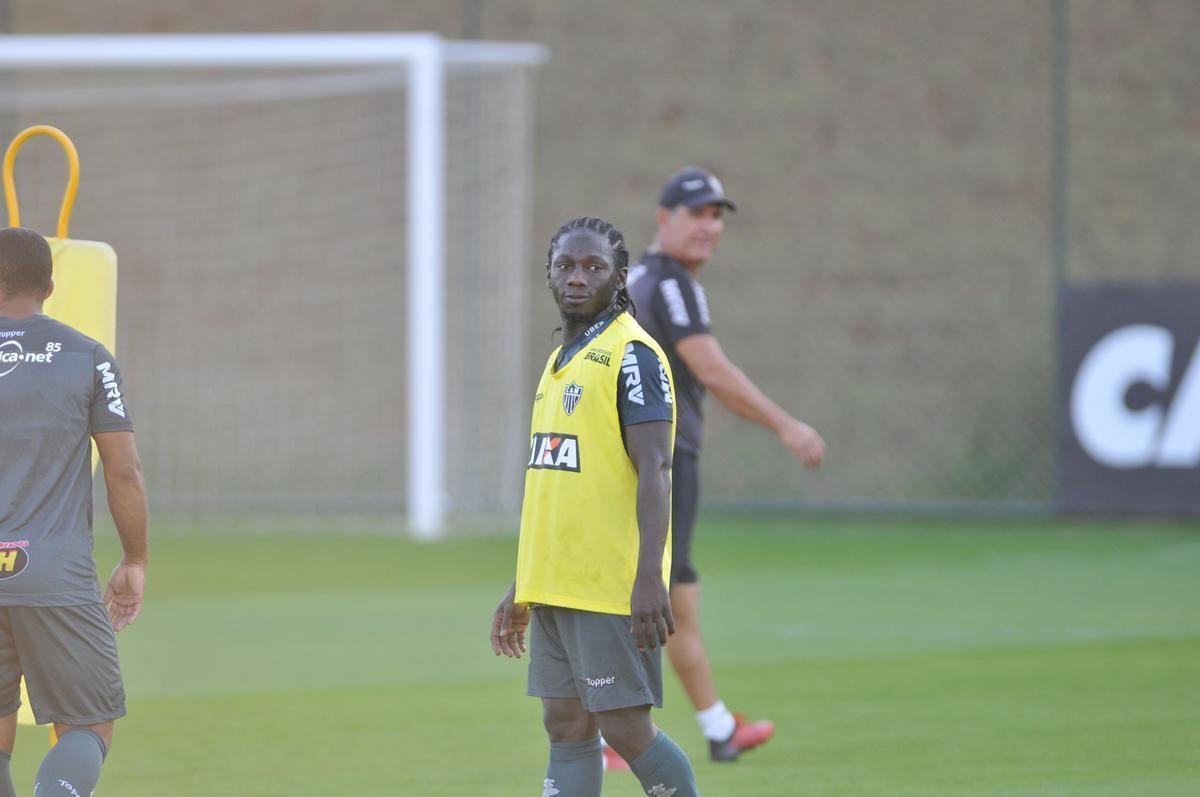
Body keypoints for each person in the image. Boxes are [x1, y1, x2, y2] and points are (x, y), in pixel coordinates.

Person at [615, 167, 825, 766]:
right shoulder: (672, 283)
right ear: (664, 219)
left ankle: (715, 726)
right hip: (663, 459)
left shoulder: (638, 281)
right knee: (653, 594)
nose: (709, 226)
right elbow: (710, 369)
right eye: (697, 213)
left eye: (717, 216)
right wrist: (786, 424)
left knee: (674, 595)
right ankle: (612, 736)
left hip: (639, 457)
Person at [491, 216, 701, 797]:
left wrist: (648, 578)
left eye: (593, 267)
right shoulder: (559, 361)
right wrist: (524, 584)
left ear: (620, 276)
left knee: (626, 729)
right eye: (565, 266)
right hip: (557, 583)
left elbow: (656, 469)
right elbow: (556, 486)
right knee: (564, 722)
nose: (577, 278)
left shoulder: (633, 354)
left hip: (609, 584)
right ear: (549, 276)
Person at [0, 227, 148, 797]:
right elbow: (124, 470)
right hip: (54, 574)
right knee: (86, 725)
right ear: (51, 287)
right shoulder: (87, 357)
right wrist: (134, 558)